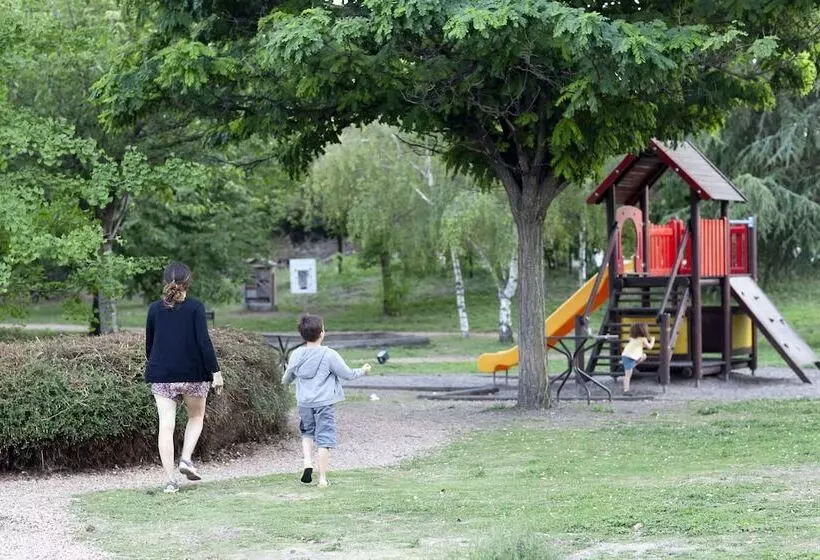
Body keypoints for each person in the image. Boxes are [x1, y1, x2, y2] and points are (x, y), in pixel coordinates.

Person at [144, 262, 224, 494]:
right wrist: (216, 372)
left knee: (165, 426)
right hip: (193, 375)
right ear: (189, 282)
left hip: (162, 375)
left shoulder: (154, 309)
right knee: (196, 416)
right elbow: (204, 343)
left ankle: (170, 481)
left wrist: (159, 365)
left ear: (164, 282)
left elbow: (150, 346)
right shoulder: (196, 308)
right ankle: (186, 459)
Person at [283, 314, 370, 487]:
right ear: (321, 333)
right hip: (323, 403)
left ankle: (307, 462)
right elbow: (347, 374)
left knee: (307, 432)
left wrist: (287, 382)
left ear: (302, 334)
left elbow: (286, 378)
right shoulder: (329, 355)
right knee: (325, 438)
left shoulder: (296, 354)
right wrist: (363, 370)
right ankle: (322, 479)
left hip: (304, 403)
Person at [621, 322, 655, 393]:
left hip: (626, 356)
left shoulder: (632, 338)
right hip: (629, 357)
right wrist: (652, 340)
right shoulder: (643, 339)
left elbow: (638, 345)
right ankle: (626, 390)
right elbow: (650, 347)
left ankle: (631, 366)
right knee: (628, 375)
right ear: (643, 331)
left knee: (644, 356)